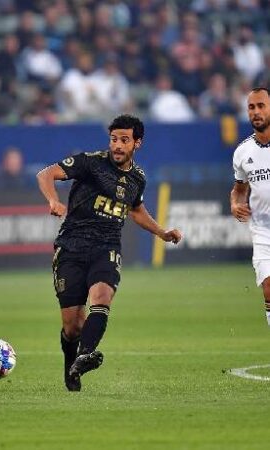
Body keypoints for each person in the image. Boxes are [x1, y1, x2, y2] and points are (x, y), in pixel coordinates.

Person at [36, 114, 182, 392]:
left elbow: (136, 210)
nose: (117, 145)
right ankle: (73, 363)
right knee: (72, 327)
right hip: (71, 246)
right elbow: (45, 174)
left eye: (124, 140)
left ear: (137, 143)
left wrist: (162, 233)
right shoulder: (90, 163)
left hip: (107, 247)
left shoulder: (137, 179)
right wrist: (53, 199)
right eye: (114, 139)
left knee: (102, 298)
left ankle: (85, 355)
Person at [231, 87, 270, 325]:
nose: (256, 112)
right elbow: (239, 189)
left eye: (261, 106)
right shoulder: (242, 152)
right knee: (268, 287)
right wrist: (235, 204)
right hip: (263, 230)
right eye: (251, 107)